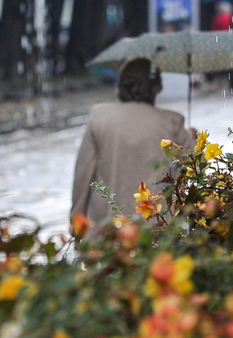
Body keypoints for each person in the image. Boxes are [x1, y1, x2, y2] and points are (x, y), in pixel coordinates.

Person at [71, 57, 195, 239]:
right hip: (158, 232)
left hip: (106, 232)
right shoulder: (173, 122)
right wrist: (192, 140)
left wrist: (76, 220)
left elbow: (83, 176)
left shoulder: (99, 118)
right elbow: (197, 169)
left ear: (119, 87)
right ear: (157, 89)